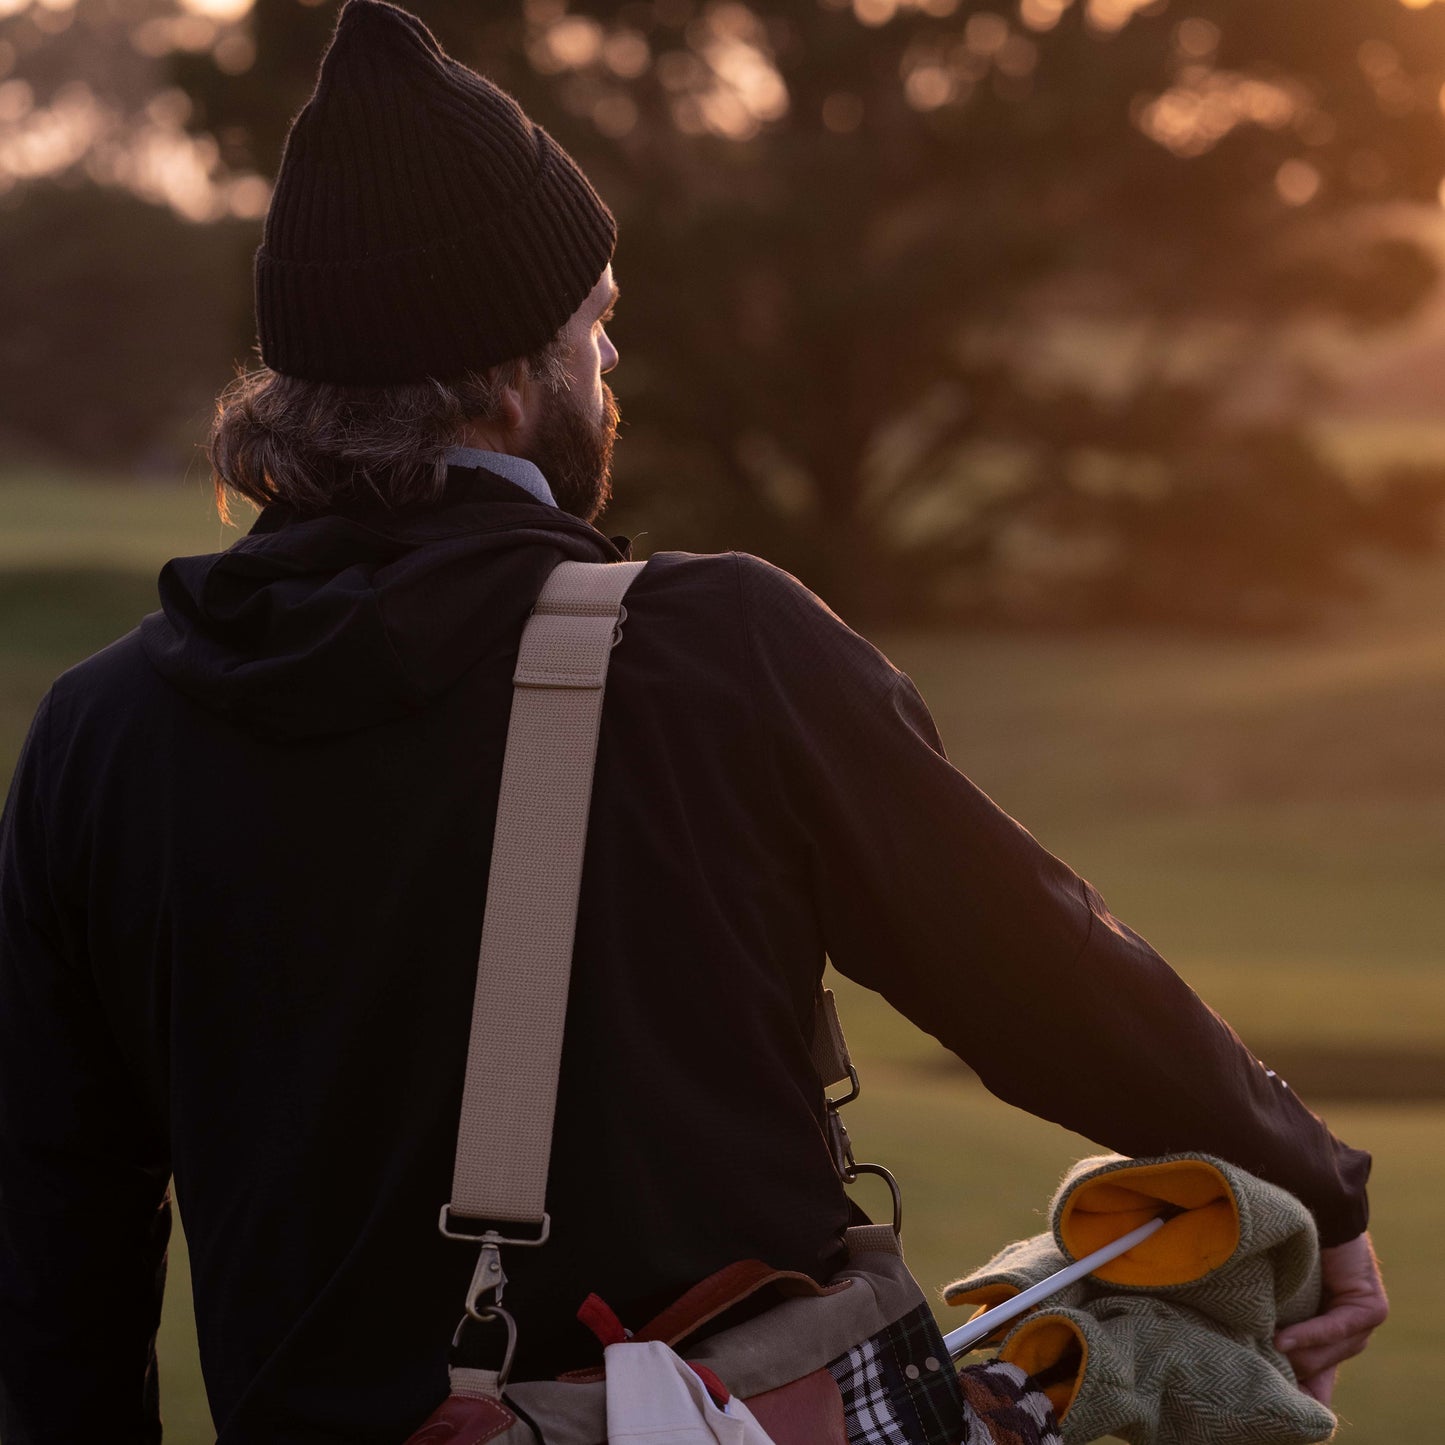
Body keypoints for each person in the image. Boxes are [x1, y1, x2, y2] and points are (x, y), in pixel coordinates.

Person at [0, 2, 1386, 1441]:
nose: (613, 369)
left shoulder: (99, 731)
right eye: (594, 328)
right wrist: (1308, 1179)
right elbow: (1032, 969)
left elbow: (55, 1237)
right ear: (501, 377)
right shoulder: (713, 648)